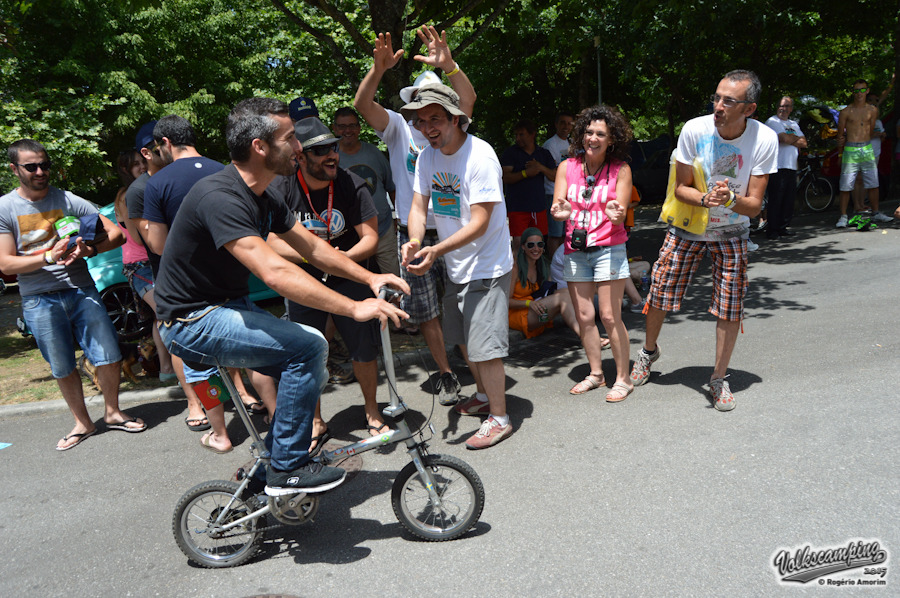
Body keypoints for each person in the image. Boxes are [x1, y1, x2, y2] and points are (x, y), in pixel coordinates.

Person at [153, 97, 408, 495]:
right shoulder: (220, 196)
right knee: (307, 347)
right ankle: (288, 467)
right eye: (291, 138)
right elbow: (273, 271)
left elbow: (315, 249)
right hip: (191, 320)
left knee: (294, 362)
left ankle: (269, 465)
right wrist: (354, 307)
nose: (299, 148)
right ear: (260, 146)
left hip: (223, 308)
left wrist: (372, 278)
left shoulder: (263, 195)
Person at [630, 70, 778, 411]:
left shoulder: (765, 139)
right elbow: (681, 186)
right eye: (716, 97)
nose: (719, 106)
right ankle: (648, 352)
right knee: (661, 292)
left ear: (749, 109)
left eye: (729, 100)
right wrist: (704, 199)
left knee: (730, 305)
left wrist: (727, 200)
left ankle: (718, 378)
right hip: (689, 226)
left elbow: (754, 206)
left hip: (732, 231)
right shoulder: (695, 129)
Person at [354, 25, 476, 407]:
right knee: (425, 310)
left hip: (456, 231)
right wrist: (377, 70)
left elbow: (469, 97)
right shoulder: (398, 128)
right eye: (418, 107)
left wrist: (451, 65)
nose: (425, 118)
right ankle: (446, 372)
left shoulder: (455, 126)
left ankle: (476, 365)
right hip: (416, 232)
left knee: (463, 303)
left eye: (433, 109)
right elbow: (362, 105)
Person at [0, 139, 146, 450]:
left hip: (81, 289)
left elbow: (117, 234)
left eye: (45, 164)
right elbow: (5, 262)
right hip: (39, 297)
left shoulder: (67, 199)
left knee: (109, 353)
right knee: (61, 364)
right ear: (14, 169)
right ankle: (83, 422)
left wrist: (89, 249)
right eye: (31, 167)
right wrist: (48, 258)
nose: (41, 171)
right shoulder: (5, 208)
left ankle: (113, 413)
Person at [399, 83, 515, 450]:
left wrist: (436, 250)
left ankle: (499, 417)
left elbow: (480, 222)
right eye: (421, 121)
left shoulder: (480, 156)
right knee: (463, 338)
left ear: (455, 118)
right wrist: (417, 242)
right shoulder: (427, 158)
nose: (427, 127)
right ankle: (482, 395)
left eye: (435, 118)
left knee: (485, 346)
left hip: (489, 265)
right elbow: (419, 208)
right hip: (456, 264)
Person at [270, 115, 389, 445]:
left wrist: (343, 261)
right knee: (307, 354)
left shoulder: (351, 183)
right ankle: (316, 420)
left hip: (349, 278)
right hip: (304, 282)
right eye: (320, 150)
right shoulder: (281, 188)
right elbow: (270, 242)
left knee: (364, 350)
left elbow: (370, 237)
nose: (331, 155)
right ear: (301, 157)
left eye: (332, 147)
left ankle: (372, 412)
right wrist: (314, 255)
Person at [550, 105, 634, 402]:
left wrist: (616, 212)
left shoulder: (620, 169)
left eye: (600, 133)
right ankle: (597, 374)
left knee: (610, 316)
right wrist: (560, 212)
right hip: (576, 248)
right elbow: (560, 207)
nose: (593, 138)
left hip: (609, 248)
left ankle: (623, 378)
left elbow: (620, 213)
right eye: (588, 132)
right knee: (585, 315)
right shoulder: (567, 167)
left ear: (611, 139)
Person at [112, 148, 176, 382]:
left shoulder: (148, 188)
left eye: (143, 162)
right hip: (139, 265)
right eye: (135, 164)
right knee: (165, 310)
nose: (142, 166)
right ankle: (169, 366)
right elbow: (138, 238)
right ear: (126, 170)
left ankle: (165, 367)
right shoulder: (129, 194)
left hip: (154, 262)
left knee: (162, 315)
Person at [333, 107, 398, 277]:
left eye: (352, 125)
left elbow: (392, 188)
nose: (348, 130)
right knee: (355, 284)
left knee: (394, 283)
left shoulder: (374, 153)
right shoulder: (330, 156)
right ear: (334, 128)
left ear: (359, 128)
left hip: (383, 231)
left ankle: (395, 305)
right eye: (342, 126)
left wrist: (397, 219)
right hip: (349, 237)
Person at [835, 80, 893, 227]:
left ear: (867, 91)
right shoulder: (846, 111)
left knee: (873, 183)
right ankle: (843, 216)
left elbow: (870, 129)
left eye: (862, 90)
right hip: (850, 148)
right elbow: (840, 136)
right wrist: (840, 155)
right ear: (853, 92)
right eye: (856, 90)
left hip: (867, 148)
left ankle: (876, 212)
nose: (859, 94)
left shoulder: (872, 110)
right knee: (846, 185)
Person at [509, 227, 579, 338]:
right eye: (531, 245)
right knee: (562, 297)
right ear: (523, 247)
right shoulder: (515, 268)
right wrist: (528, 303)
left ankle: (585, 331)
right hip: (519, 313)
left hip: (537, 309)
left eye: (540, 244)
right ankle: (586, 336)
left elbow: (547, 290)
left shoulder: (542, 265)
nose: (536, 249)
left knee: (567, 292)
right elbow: (505, 302)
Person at [500, 119, 557, 255]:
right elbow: (505, 177)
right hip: (517, 207)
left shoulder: (543, 153)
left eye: (521, 135)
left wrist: (540, 167)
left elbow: (555, 176)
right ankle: (518, 275)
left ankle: (537, 274)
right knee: (519, 244)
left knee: (538, 244)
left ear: (532, 135)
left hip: (538, 206)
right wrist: (526, 173)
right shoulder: (510, 153)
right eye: (516, 135)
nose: (517, 138)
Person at [764, 96, 807, 240]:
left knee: (788, 198)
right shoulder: (773, 121)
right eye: (781, 106)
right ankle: (772, 229)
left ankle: (783, 227)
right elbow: (784, 139)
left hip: (791, 166)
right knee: (776, 198)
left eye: (786, 106)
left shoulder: (793, 123)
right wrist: (794, 139)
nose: (783, 109)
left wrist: (790, 138)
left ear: (791, 109)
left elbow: (804, 143)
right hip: (777, 166)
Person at [543, 112, 575, 256]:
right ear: (556, 124)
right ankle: (553, 263)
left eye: (569, 123)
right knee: (554, 234)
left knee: (565, 233)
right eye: (562, 122)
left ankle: (562, 262)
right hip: (553, 193)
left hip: (570, 194)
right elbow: (553, 173)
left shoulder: (572, 143)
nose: (566, 126)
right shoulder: (550, 144)